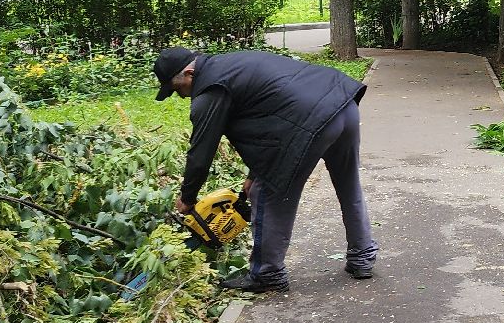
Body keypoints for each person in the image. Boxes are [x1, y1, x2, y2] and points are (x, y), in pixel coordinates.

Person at [154, 46, 377, 292]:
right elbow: (269, 115)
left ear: (189, 74)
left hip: (310, 120)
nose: (182, 97)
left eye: (177, 90)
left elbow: (200, 154)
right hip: (342, 104)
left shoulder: (210, 91)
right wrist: (254, 173)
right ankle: (362, 256)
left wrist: (187, 198)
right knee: (349, 185)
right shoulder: (232, 63)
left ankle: (267, 273)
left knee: (268, 193)